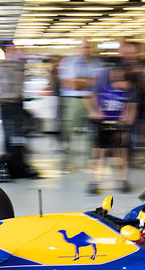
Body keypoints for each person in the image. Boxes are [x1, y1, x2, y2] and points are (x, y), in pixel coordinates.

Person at [85, 65, 138, 195]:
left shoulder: (128, 92)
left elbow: (131, 108)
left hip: (119, 125)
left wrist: (127, 122)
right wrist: (94, 110)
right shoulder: (102, 88)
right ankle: (94, 182)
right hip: (103, 125)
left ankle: (123, 181)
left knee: (121, 155)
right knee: (99, 155)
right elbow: (88, 97)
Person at [0, 42, 37, 178]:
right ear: (5, 52)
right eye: (10, 50)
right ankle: (11, 167)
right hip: (5, 105)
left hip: (17, 104)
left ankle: (19, 165)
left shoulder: (20, 66)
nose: (13, 52)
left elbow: (27, 82)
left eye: (14, 49)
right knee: (8, 137)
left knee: (19, 136)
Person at [58, 40, 99, 172]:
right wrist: (88, 81)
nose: (86, 50)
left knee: (90, 133)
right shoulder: (68, 62)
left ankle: (88, 163)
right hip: (72, 100)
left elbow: (98, 82)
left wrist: (79, 81)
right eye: (83, 47)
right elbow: (69, 84)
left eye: (88, 47)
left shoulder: (96, 64)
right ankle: (68, 163)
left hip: (91, 100)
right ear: (78, 48)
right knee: (69, 132)